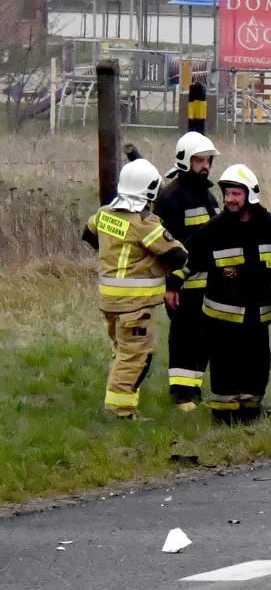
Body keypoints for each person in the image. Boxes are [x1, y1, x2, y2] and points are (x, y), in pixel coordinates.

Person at [177, 164, 271, 422]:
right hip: (221, 317)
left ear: (249, 195)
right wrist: (172, 285)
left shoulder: (269, 224)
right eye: (227, 194)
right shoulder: (215, 228)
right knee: (224, 366)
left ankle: (251, 412)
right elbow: (187, 259)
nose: (229, 199)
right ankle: (225, 417)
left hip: (257, 316)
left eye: (235, 194)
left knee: (257, 366)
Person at [82, 159, 188, 418]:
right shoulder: (144, 223)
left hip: (110, 302)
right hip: (135, 305)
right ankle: (120, 411)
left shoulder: (105, 214)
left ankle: (121, 406)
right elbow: (177, 256)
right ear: (149, 189)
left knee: (123, 354)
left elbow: (88, 233)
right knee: (134, 357)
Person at [154, 132, 220, 410]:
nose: (205, 166)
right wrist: (170, 285)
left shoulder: (209, 196)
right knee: (183, 339)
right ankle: (181, 394)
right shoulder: (171, 197)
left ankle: (194, 390)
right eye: (199, 160)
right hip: (182, 286)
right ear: (185, 161)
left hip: (208, 285)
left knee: (203, 340)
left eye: (208, 160)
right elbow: (163, 246)